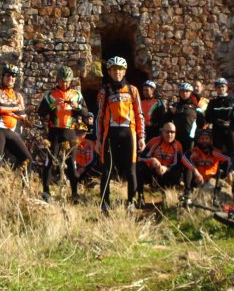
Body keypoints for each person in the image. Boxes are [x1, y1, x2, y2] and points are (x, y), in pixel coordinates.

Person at [96, 56, 145, 212]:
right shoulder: (105, 90)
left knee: (131, 169)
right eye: (114, 70)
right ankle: (104, 202)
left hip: (128, 132)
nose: (117, 72)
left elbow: (139, 114)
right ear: (109, 72)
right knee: (107, 169)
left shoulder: (133, 90)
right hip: (110, 133)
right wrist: (98, 139)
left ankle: (131, 201)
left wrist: (141, 136)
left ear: (124, 71)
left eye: (120, 69)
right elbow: (99, 116)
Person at [37, 66, 88, 202]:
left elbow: (86, 113)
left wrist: (77, 106)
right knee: (50, 161)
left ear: (71, 81)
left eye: (67, 81)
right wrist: (53, 105)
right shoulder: (50, 94)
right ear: (57, 80)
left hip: (70, 133)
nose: (64, 84)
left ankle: (75, 194)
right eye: (61, 81)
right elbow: (41, 112)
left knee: (72, 163)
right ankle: (46, 192)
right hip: (54, 132)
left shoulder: (77, 94)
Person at [0, 64, 33, 188]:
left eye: (13, 76)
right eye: (8, 75)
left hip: (10, 131)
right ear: (3, 76)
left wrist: (12, 109)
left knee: (27, 159)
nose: (10, 78)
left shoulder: (18, 96)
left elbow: (22, 114)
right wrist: (15, 108)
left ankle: (25, 190)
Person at [136, 122, 183, 207]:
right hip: (153, 173)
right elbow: (139, 158)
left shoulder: (178, 145)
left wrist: (166, 168)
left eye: (172, 132)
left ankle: (168, 197)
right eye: (167, 131)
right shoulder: (154, 141)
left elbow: (178, 164)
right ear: (162, 132)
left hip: (167, 174)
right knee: (140, 167)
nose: (169, 134)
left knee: (177, 172)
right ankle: (140, 196)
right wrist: (151, 160)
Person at [181, 128, 230, 202]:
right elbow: (184, 158)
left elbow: (229, 159)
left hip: (212, 182)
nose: (204, 141)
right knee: (188, 167)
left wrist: (229, 172)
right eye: (202, 138)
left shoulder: (215, 152)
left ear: (210, 140)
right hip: (197, 181)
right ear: (198, 140)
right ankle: (187, 192)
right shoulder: (194, 151)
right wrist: (195, 172)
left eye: (207, 138)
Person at [164, 82, 204, 152]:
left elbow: (201, 124)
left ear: (190, 93)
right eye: (182, 91)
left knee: (188, 158)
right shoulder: (174, 106)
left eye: (187, 91)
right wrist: (170, 112)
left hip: (190, 139)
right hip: (176, 138)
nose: (184, 93)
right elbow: (165, 121)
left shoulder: (196, 107)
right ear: (179, 92)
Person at [205, 77, 234, 157]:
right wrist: (217, 121)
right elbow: (207, 117)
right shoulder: (213, 102)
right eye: (219, 87)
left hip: (230, 129)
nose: (221, 88)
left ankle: (231, 168)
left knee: (233, 151)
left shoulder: (233, 100)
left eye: (223, 86)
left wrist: (231, 122)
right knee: (217, 152)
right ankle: (218, 168)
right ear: (216, 88)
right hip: (217, 130)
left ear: (226, 87)